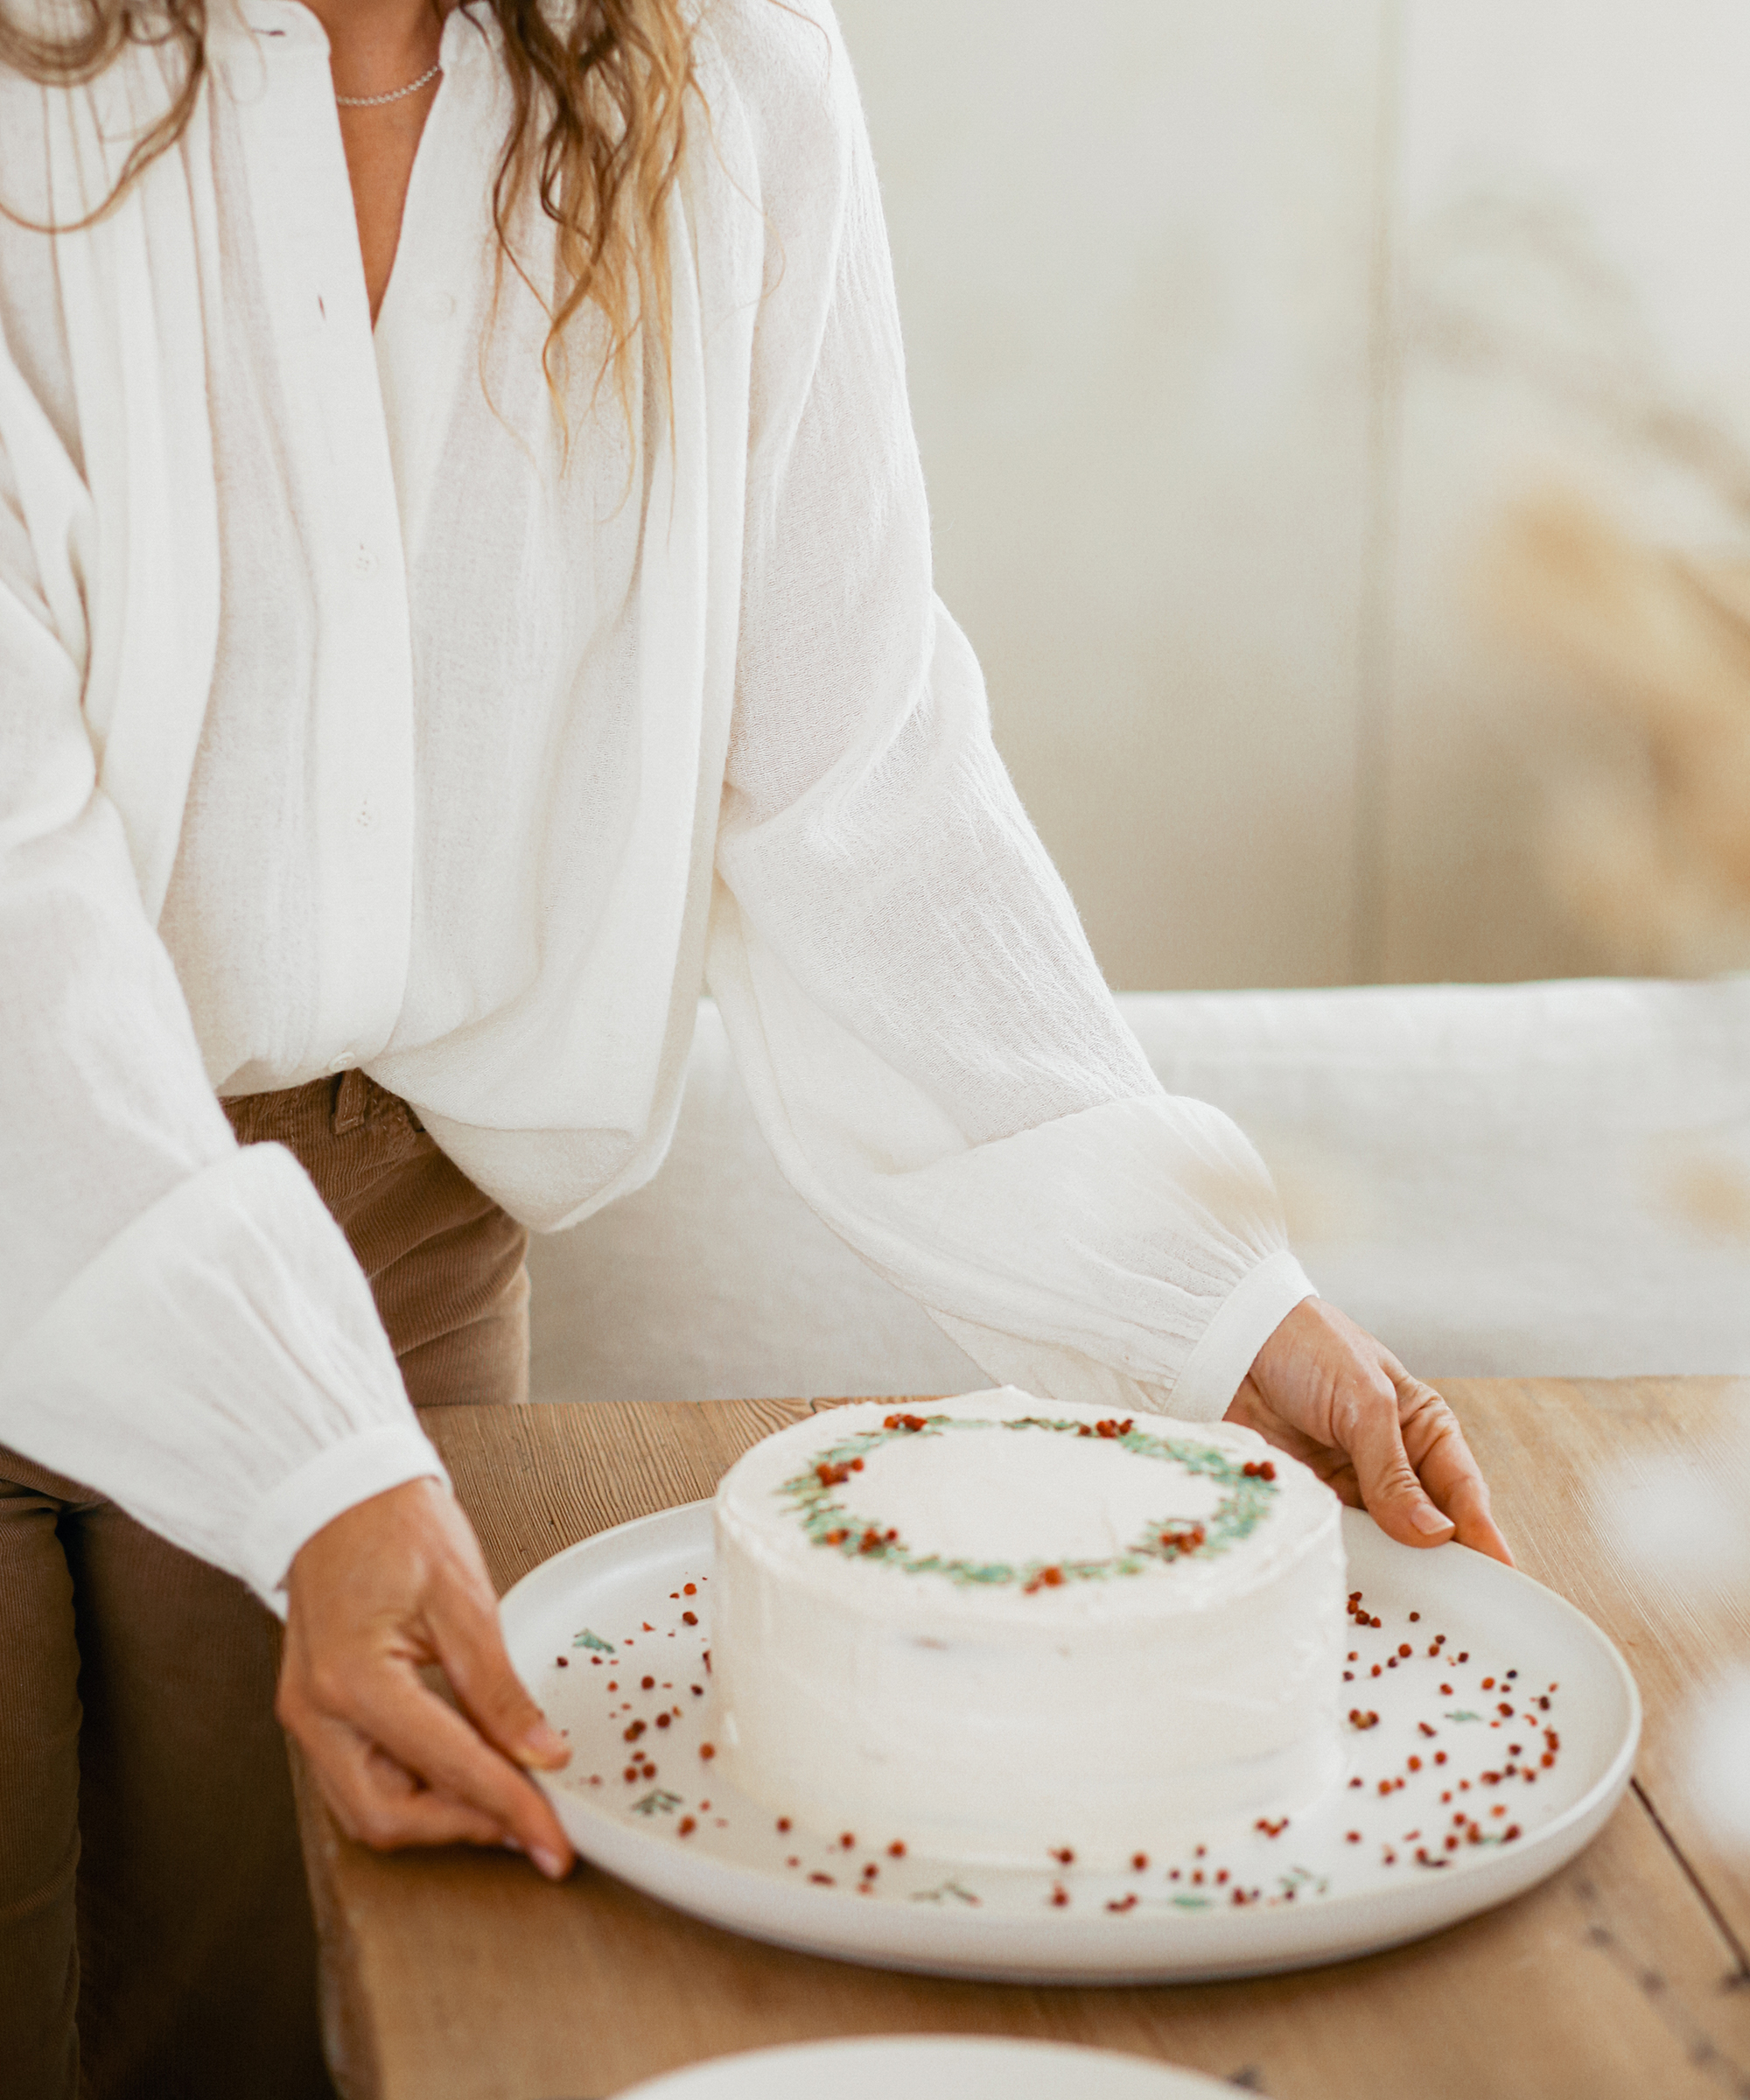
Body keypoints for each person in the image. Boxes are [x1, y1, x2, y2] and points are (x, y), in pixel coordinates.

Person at [0, 0, 1512, 2090]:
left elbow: (855, 779)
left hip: (400, 1271)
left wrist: (1207, 1296)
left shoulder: (724, 80)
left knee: (300, 2037)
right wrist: (292, 1444)